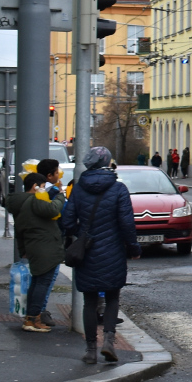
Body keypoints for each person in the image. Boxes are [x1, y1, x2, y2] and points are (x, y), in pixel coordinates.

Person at [62, 146, 139, 364]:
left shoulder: (77, 189)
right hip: (113, 249)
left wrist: (83, 234)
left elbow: (67, 222)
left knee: (89, 301)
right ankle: (108, 341)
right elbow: (127, 223)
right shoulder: (119, 189)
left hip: (87, 252)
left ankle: (90, 350)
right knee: (113, 296)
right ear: (107, 163)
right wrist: (133, 248)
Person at [6, 170, 65, 333]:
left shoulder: (21, 203)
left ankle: (30, 318)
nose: (45, 190)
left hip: (34, 247)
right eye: (43, 186)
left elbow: (19, 229)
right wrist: (60, 195)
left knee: (37, 282)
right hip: (45, 248)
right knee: (42, 283)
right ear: (35, 186)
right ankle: (33, 318)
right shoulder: (35, 201)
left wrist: (22, 249)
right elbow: (53, 210)